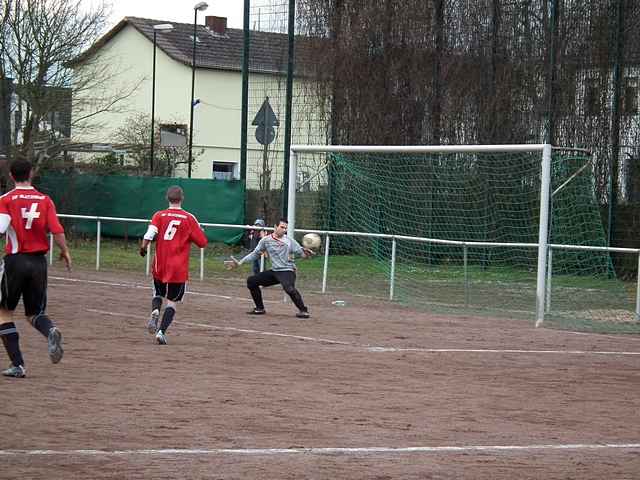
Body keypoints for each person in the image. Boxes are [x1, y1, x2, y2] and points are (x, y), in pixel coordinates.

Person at [0, 159, 72, 378]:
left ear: (11, 176)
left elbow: (1, 228)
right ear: (31, 174)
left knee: (3, 313)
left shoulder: (6, 200)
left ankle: (18, 365)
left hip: (16, 261)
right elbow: (56, 229)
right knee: (34, 313)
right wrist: (65, 251)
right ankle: (50, 330)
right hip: (39, 263)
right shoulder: (45, 200)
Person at [140, 186, 208, 345]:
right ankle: (161, 332)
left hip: (160, 264)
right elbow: (203, 242)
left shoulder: (159, 215)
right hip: (178, 267)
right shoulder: (189, 218)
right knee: (172, 302)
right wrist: (191, 235)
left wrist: (143, 247)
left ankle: (155, 310)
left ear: (167, 198)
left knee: (158, 293)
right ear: (182, 198)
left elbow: (149, 234)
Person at [225, 218, 314, 319]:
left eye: (285, 228)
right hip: (275, 271)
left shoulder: (289, 241)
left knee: (289, 288)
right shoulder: (266, 240)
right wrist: (240, 262)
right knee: (252, 281)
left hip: (287, 270)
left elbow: (302, 254)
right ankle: (259, 308)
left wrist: (307, 254)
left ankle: (303, 311)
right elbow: (255, 254)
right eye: (282, 227)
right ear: (275, 227)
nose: (284, 230)